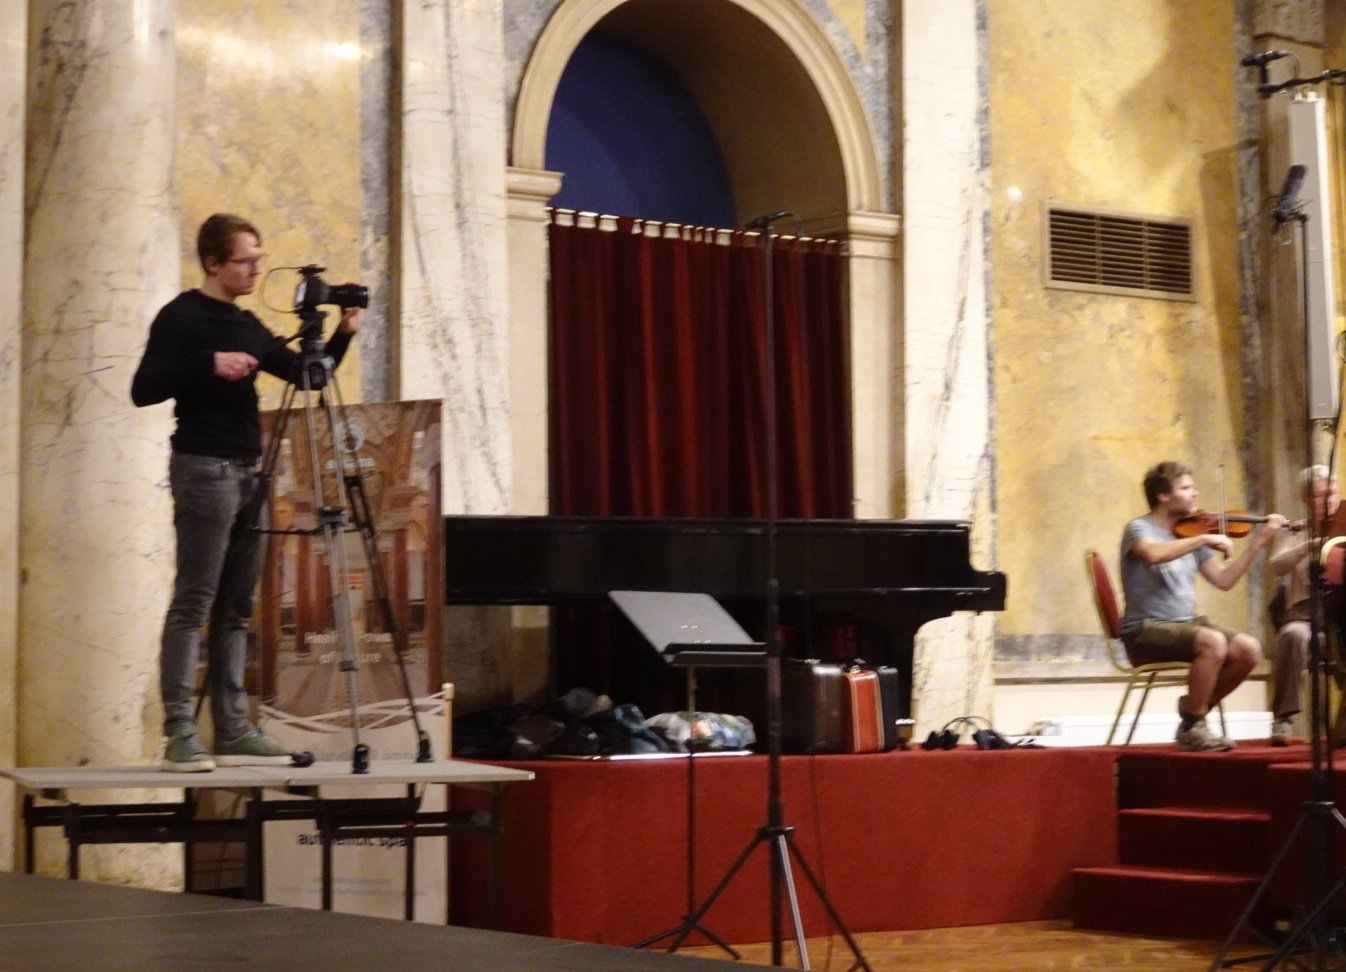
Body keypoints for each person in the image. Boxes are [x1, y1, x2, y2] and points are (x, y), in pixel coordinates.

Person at [132, 213, 363, 771]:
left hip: (250, 472)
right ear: (214, 263)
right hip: (204, 468)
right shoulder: (182, 316)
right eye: (245, 260)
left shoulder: (247, 323)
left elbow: (309, 376)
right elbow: (144, 388)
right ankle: (179, 731)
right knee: (195, 599)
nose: (257, 269)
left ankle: (233, 729)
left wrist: (344, 332)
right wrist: (207, 364)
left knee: (237, 606)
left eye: (259, 259)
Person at [1120, 461, 1284, 751]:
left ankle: (1191, 713)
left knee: (1249, 650)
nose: (1195, 493)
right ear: (1163, 495)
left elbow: (1224, 580)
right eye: (1186, 488)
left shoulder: (1190, 532)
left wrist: (1258, 543)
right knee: (1213, 642)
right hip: (1145, 627)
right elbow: (1152, 554)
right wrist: (1203, 539)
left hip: (1186, 623)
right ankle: (1194, 725)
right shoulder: (1139, 528)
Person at [1268, 465, 1342, 746]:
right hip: (1306, 614)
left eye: (1332, 493)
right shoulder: (1295, 530)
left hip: (1341, 613)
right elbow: (1276, 565)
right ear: (1305, 499)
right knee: (1292, 635)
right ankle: (1283, 718)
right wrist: (1308, 546)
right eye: (1321, 496)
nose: (1329, 500)